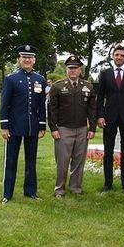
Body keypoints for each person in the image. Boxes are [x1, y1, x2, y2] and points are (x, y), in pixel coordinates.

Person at [0, 45, 47, 204]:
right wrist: (4, 126)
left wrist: (41, 125)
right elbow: (4, 103)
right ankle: (7, 194)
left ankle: (30, 191)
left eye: (30, 58)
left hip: (32, 127)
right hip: (13, 127)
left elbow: (41, 105)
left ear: (34, 60)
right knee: (11, 161)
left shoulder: (40, 79)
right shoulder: (11, 78)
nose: (27, 60)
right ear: (20, 59)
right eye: (24, 57)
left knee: (31, 161)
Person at [48, 55, 96, 198]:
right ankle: (59, 189)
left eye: (76, 68)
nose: (73, 71)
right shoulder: (57, 86)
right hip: (63, 129)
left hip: (82, 128)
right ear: (66, 69)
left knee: (78, 160)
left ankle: (75, 187)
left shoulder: (88, 86)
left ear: (80, 70)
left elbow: (92, 109)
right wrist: (53, 128)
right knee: (62, 161)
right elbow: (51, 109)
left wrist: (92, 128)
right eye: (70, 68)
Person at [97, 44, 124, 193]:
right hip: (109, 117)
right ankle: (107, 183)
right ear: (113, 56)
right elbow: (100, 96)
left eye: (122, 55)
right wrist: (100, 116)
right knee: (108, 152)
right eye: (117, 55)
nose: (119, 57)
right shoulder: (105, 74)